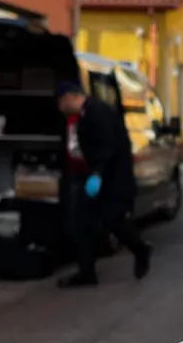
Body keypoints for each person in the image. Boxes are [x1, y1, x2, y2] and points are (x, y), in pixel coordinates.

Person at [56, 81, 152, 287]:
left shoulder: (98, 112)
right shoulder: (83, 115)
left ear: (70, 98)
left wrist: (98, 173)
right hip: (96, 178)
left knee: (113, 221)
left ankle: (140, 248)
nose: (60, 108)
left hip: (113, 180)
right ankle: (86, 272)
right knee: (81, 224)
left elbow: (108, 146)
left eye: (61, 103)